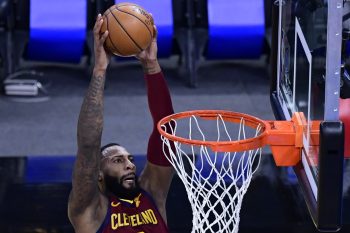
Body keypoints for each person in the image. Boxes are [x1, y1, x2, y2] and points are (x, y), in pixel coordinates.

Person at [68, 14, 174, 233]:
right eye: (117, 160)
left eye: (129, 159)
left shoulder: (152, 193)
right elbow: (88, 145)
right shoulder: (90, 211)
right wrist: (99, 70)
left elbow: (166, 129)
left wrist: (151, 65)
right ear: (97, 173)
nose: (130, 165)